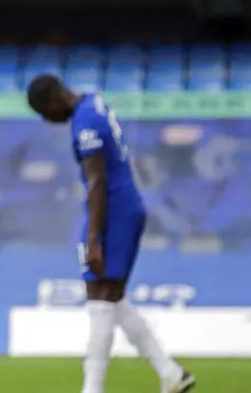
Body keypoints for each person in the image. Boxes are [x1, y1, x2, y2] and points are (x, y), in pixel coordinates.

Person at [26, 76, 196, 393]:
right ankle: (170, 373)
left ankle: (93, 388)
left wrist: (93, 238)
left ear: (54, 99)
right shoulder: (92, 101)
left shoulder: (85, 124)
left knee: (100, 298)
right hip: (121, 208)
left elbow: (97, 182)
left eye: (43, 111)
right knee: (112, 298)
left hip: (113, 213)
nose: (45, 119)